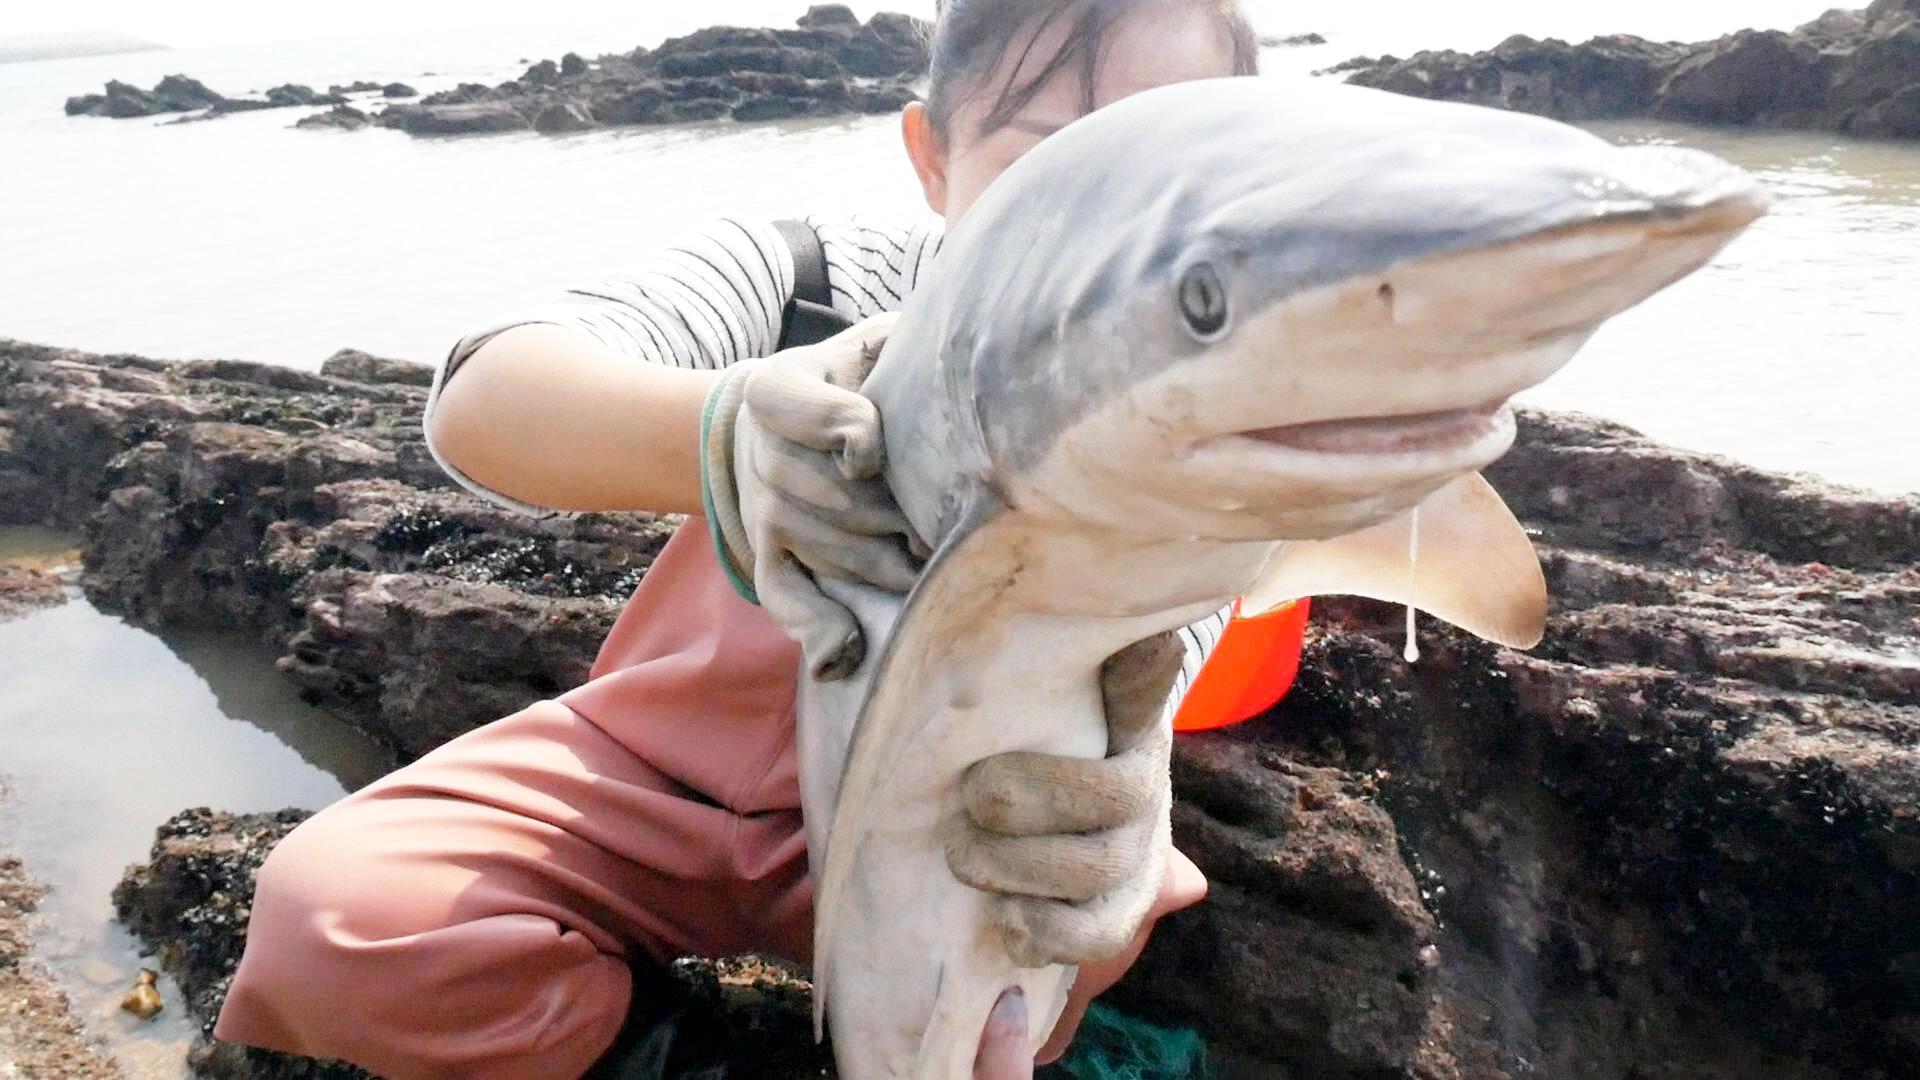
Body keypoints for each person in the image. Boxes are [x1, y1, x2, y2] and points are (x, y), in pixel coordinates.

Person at [213, 2, 1262, 1077]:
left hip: (948, 816)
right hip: (650, 777)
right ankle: (682, 1056)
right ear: (931, 155)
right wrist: (728, 434)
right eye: (1048, 160)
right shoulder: (812, 281)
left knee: (1092, 923)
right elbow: (481, 398)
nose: (1107, 218)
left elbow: (1173, 659)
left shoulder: (1217, 419)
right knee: (337, 916)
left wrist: (1128, 791)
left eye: (1163, 163)